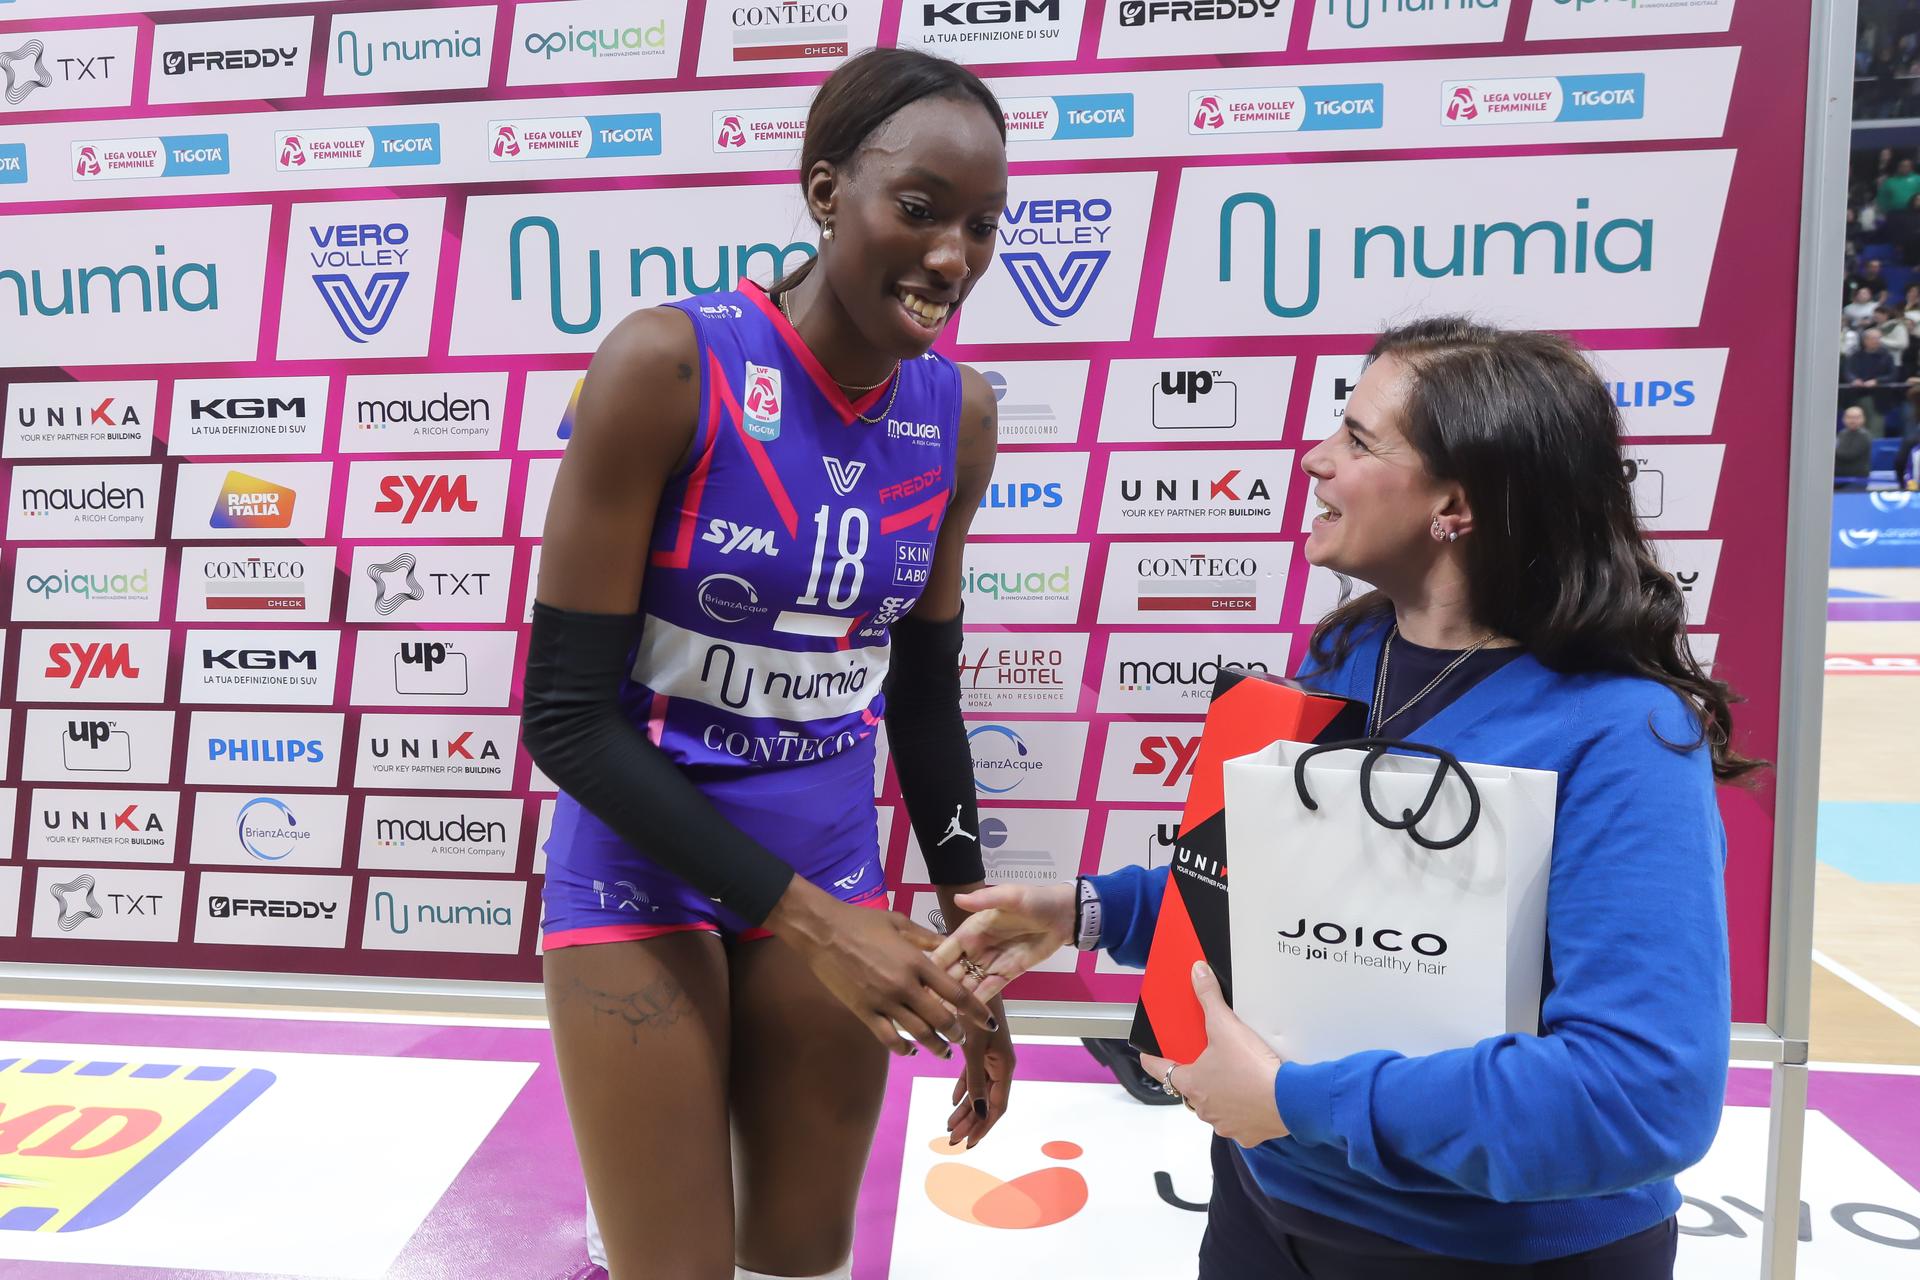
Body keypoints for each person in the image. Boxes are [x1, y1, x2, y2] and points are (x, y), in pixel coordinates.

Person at [936, 318, 1759, 1279]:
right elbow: (1295, 911)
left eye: (1360, 440)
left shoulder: (1625, 735)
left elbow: (1639, 1098)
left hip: (1493, 1258)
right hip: (1263, 1212)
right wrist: (1090, 912)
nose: (1314, 457)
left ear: (1457, 504)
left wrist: (1298, 1103)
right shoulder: (1349, 652)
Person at [520, 48, 1015, 1280]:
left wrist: (974, 942)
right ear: (824, 190)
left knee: (800, 1257)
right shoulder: (666, 363)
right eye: (919, 208)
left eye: (980, 225)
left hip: (827, 858)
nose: (951, 256)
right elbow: (566, 718)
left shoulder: (959, 415)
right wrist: (817, 924)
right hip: (643, 865)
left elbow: (922, 694)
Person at [1837, 404, 1876, 482]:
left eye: (1856, 418)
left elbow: (1848, 455)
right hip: (1839, 478)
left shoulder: (1864, 435)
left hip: (1857, 479)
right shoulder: (1842, 433)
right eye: (1849, 417)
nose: (1852, 421)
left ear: (1863, 419)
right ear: (1843, 419)